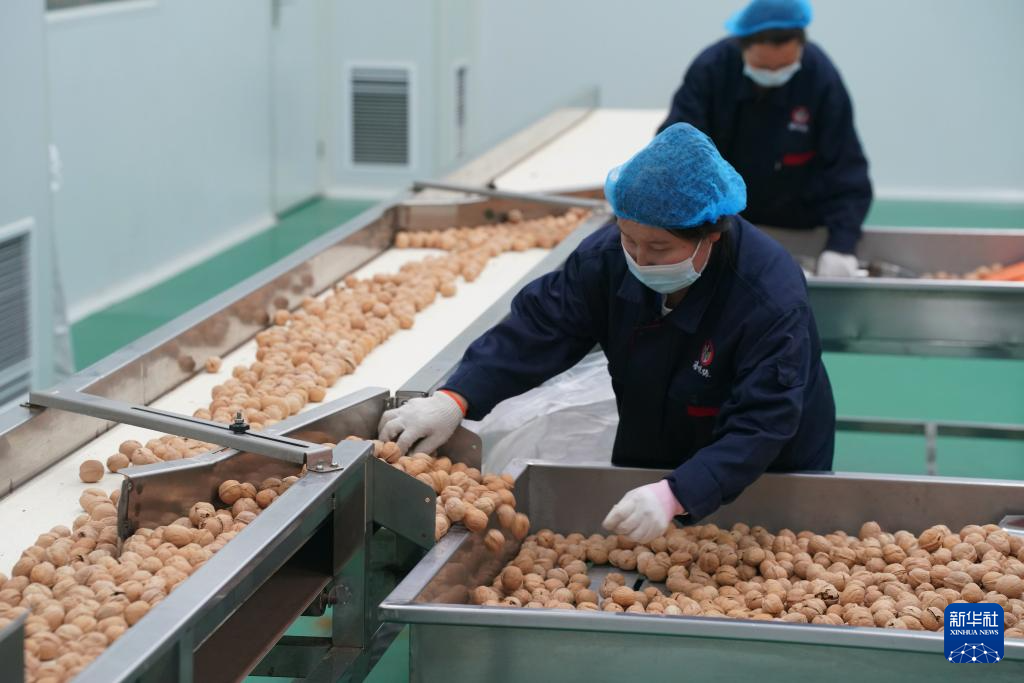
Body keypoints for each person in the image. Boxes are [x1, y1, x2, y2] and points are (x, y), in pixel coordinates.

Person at [379, 124, 835, 543]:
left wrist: (677, 494)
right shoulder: (607, 259)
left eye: (659, 247)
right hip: (655, 433)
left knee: (761, 551)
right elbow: (541, 325)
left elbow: (762, 422)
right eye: (629, 239)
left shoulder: (768, 299)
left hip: (767, 468)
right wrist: (456, 396)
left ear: (711, 235)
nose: (639, 258)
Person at [658, 0, 872, 277]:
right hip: (721, 226)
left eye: (784, 67)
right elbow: (676, 155)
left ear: (800, 48)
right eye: (763, 66)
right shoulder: (712, 69)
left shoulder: (820, 77)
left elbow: (846, 169)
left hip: (798, 224)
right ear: (742, 48)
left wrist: (841, 246)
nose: (774, 74)